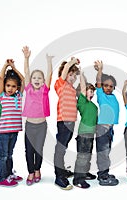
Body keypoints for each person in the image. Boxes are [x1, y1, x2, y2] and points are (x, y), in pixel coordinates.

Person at [22, 46, 53, 186]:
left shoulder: (44, 90)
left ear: (43, 80)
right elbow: (26, 72)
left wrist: (49, 62)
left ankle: (37, 170)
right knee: (29, 150)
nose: (36, 79)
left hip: (41, 125)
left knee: (39, 149)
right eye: (34, 78)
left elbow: (50, 74)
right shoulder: (28, 89)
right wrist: (26, 58)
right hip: (29, 125)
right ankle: (30, 171)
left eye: (39, 78)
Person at [0, 59, 25, 187]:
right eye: (8, 86)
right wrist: (5, 65)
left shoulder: (18, 95)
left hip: (14, 130)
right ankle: (2, 178)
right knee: (3, 155)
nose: (10, 88)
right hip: (3, 131)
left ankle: (8, 174)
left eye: (13, 86)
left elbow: (23, 80)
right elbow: (1, 78)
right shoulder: (2, 96)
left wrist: (14, 68)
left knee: (9, 154)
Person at [54, 57, 80, 190]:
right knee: (60, 148)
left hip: (71, 122)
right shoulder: (61, 84)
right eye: (71, 74)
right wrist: (72, 62)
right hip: (63, 121)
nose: (73, 77)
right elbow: (64, 72)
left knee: (64, 147)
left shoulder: (72, 89)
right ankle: (59, 177)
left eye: (75, 75)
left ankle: (62, 170)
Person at [94, 60, 119, 186]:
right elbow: (98, 81)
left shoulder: (113, 96)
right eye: (106, 85)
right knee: (102, 152)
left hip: (109, 129)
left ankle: (104, 172)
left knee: (106, 151)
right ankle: (103, 176)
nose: (108, 88)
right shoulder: (101, 95)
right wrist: (100, 70)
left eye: (111, 86)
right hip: (102, 128)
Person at [72, 69, 98, 189]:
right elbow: (82, 88)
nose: (92, 93)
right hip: (83, 134)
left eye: (93, 91)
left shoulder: (93, 105)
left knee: (87, 155)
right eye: (89, 91)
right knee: (82, 157)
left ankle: (85, 173)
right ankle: (78, 179)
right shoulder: (82, 102)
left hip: (91, 134)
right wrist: (81, 75)